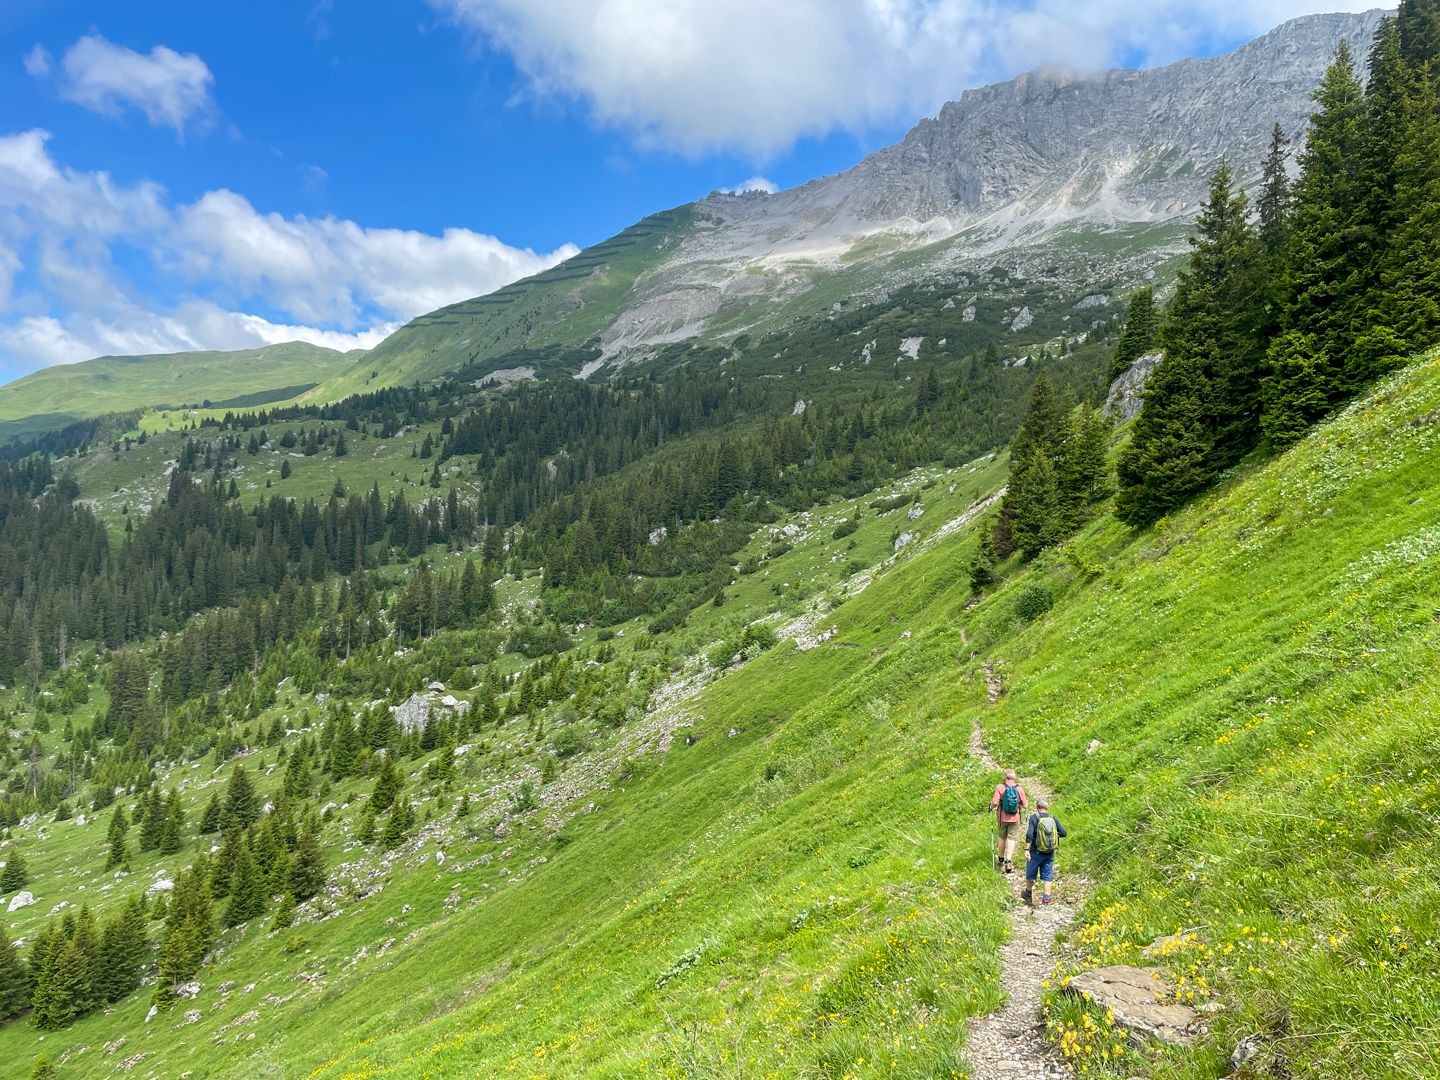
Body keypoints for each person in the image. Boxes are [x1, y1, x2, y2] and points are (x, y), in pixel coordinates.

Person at [1020, 798, 1068, 906]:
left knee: (1031, 874)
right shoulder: (1052, 818)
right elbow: (1064, 833)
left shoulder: (1034, 818)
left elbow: (1029, 835)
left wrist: (1026, 849)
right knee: (1048, 876)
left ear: (1037, 807)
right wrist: (1052, 837)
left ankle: (1028, 894)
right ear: (1047, 808)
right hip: (1049, 852)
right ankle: (1046, 899)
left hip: (1035, 852)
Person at [990, 769, 1027, 874]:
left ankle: (1001, 859)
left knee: (1002, 837)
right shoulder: (1019, 788)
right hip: (1015, 818)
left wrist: (990, 807)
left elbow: (995, 802)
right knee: (1012, 838)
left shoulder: (1000, 787)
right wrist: (1017, 804)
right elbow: (1025, 805)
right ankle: (1008, 861)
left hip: (1002, 818)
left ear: (1005, 777)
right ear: (1014, 778)